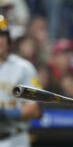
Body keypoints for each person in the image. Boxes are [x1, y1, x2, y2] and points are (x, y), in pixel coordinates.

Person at [0, 15, 42, 147]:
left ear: (8, 39)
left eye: (2, 35)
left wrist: (6, 114)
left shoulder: (23, 67)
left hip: (14, 139)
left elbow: (35, 109)